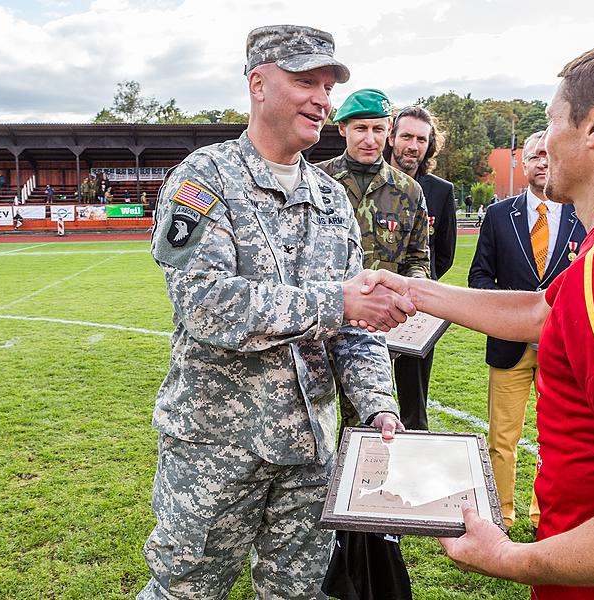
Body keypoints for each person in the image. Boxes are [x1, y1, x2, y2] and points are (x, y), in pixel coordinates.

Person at [355, 39, 594, 598]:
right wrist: (413, 289)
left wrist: (511, 558)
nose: (544, 143)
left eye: (551, 120)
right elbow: (542, 311)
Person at [138, 25, 410, 600]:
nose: (322, 97)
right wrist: (335, 302)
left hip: (309, 450)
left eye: (328, 84)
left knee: (301, 591)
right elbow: (205, 306)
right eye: (305, 81)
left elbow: (355, 329)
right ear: (259, 84)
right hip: (217, 449)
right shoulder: (203, 178)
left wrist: (378, 401)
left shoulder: (330, 197)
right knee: (185, 591)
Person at [468, 130, 585, 530]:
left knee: (557, 440)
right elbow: (479, 277)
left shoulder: (583, 215)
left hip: (562, 348)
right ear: (523, 163)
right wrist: (516, 311)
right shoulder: (500, 215)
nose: (542, 163)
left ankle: (544, 516)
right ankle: (500, 515)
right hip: (509, 345)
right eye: (535, 156)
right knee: (502, 439)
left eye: (549, 156)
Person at [316, 88, 430, 431]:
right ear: (342, 129)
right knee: (311, 423)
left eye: (378, 129)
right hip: (321, 323)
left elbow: (417, 258)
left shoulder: (408, 191)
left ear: (389, 131)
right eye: (360, 128)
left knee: (367, 426)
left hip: (377, 331)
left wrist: (416, 286)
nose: (370, 139)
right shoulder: (314, 182)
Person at [383, 104, 457, 430]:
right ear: (392, 137)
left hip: (416, 311)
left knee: (414, 403)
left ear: (430, 145)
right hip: (369, 305)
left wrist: (414, 287)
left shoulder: (440, 191)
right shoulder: (366, 182)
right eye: (407, 136)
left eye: (422, 140)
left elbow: (444, 255)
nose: (413, 146)